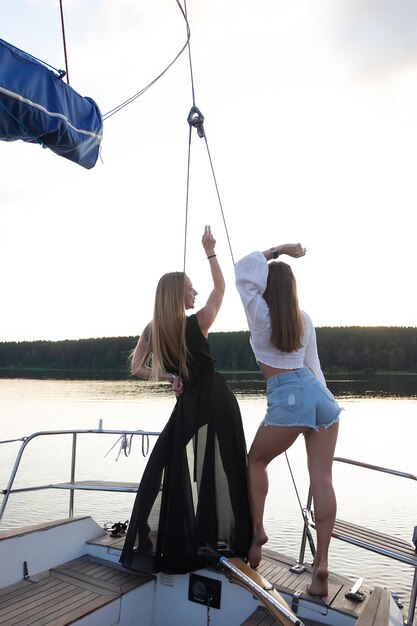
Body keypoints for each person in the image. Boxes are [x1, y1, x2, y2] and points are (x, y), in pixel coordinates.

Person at [120, 225, 252, 574]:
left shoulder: (154, 330)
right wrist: (210, 251)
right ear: (177, 295)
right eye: (190, 287)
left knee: (162, 461)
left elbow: (136, 368)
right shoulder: (198, 323)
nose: (195, 291)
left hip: (194, 401)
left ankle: (145, 536)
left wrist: (170, 377)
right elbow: (221, 288)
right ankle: (244, 543)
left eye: (194, 287)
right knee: (232, 465)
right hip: (216, 398)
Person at [235, 243, 341, 597]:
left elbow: (243, 272)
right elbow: (314, 368)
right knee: (322, 479)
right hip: (320, 397)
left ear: (267, 287)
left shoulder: (259, 314)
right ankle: (321, 566)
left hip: (287, 396)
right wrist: (318, 408)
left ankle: (258, 532)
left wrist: (276, 251)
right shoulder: (303, 319)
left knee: (256, 460)